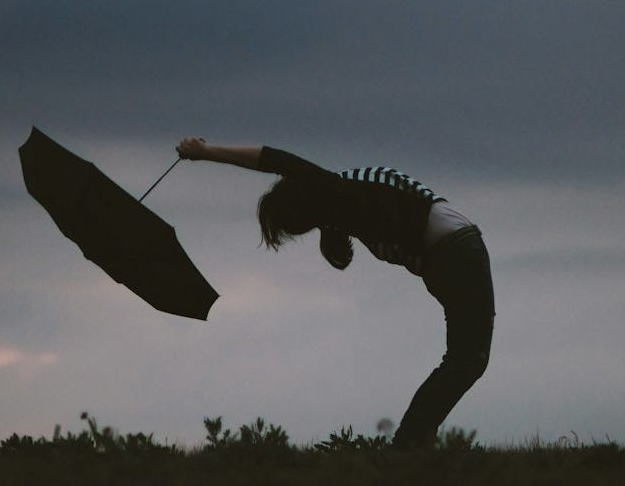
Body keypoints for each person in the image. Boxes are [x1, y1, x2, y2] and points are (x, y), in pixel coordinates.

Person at [176, 137, 495, 449]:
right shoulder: (340, 204)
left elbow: (271, 158)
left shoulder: (330, 189)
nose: (298, 231)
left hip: (456, 253)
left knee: (465, 361)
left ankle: (408, 446)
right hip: (454, 254)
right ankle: (409, 446)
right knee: (466, 360)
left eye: (293, 227)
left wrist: (206, 152)